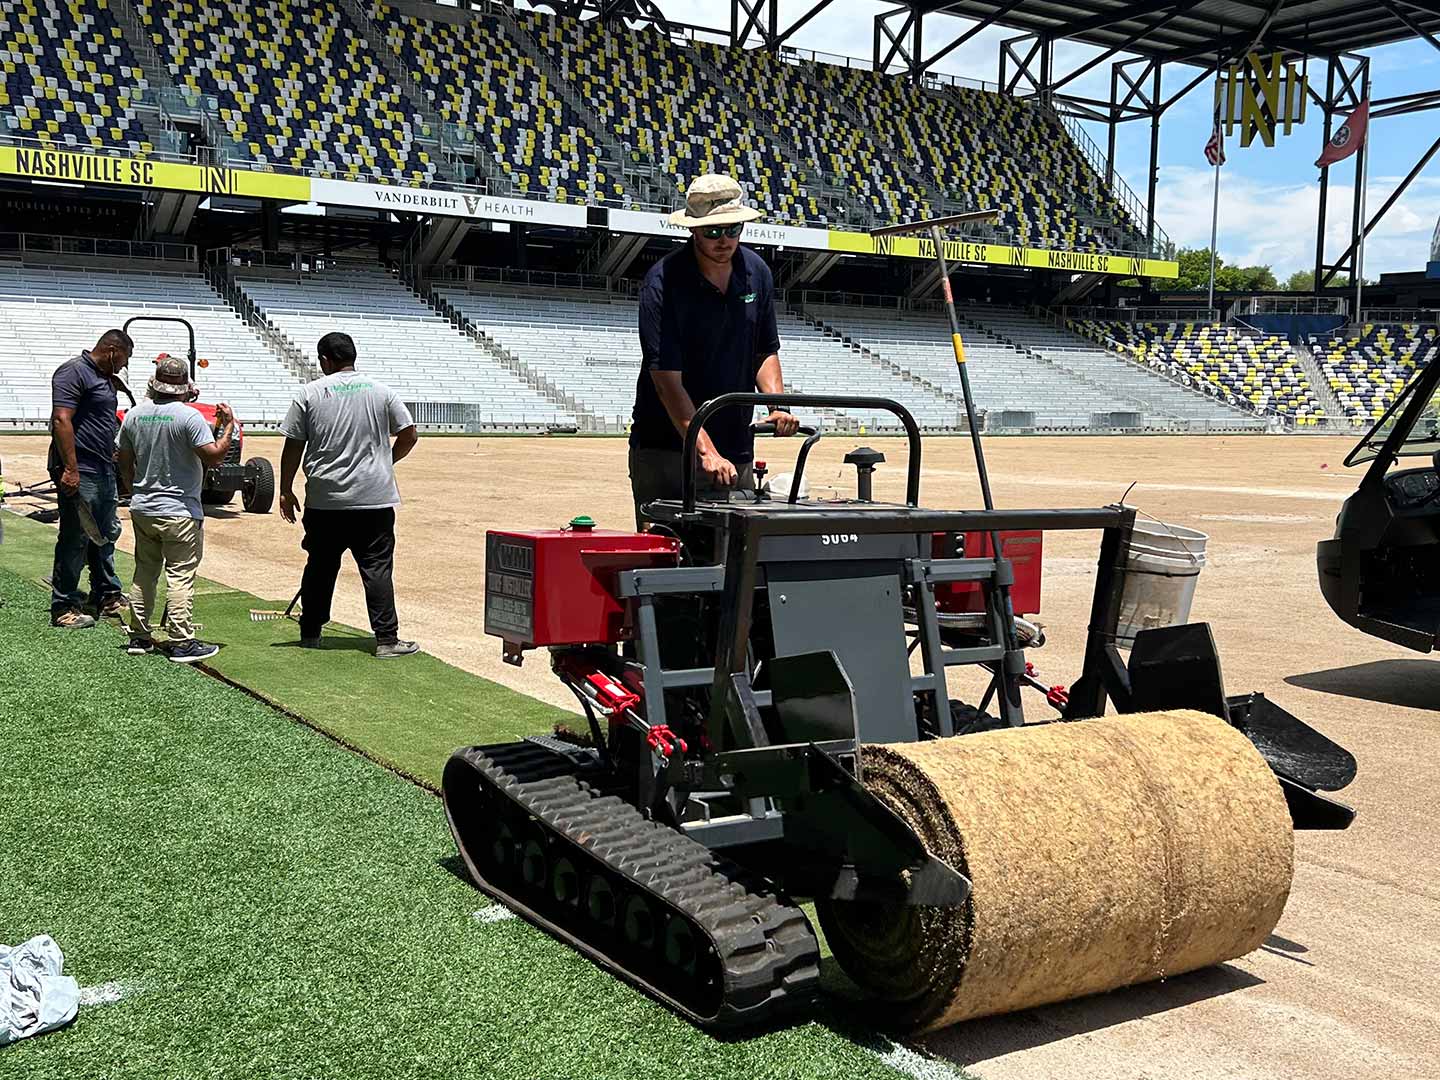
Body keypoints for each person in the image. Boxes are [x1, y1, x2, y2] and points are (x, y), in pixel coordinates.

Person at [629, 173, 799, 524]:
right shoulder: (663, 283)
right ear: (693, 230)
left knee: (738, 558)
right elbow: (666, 380)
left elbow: (764, 350)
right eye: (713, 231)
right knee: (670, 555)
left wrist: (776, 405)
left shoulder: (757, 272)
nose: (725, 240)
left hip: (736, 446)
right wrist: (704, 450)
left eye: (733, 229)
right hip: (667, 449)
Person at [278, 331, 420, 659]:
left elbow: (293, 446)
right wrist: (386, 460)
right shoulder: (381, 391)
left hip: (325, 500)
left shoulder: (309, 394)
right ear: (353, 357)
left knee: (320, 566)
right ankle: (386, 639)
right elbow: (409, 434)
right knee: (377, 569)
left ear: (325, 360)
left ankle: (311, 632)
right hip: (374, 499)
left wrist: (285, 489)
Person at [117, 356, 237, 663]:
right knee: (180, 576)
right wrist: (229, 428)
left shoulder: (134, 415)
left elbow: (124, 459)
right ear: (184, 387)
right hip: (180, 509)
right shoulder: (189, 417)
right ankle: (182, 641)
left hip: (144, 507)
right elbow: (213, 457)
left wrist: (133, 489)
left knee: (144, 572)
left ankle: (139, 637)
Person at [48, 328, 133, 629]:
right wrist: (70, 468)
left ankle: (107, 593)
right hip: (79, 469)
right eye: (123, 359)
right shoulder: (73, 372)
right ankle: (64, 605)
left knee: (105, 533)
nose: (123, 366)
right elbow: (61, 420)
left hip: (101, 468)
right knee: (75, 538)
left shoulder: (104, 378)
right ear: (112, 351)